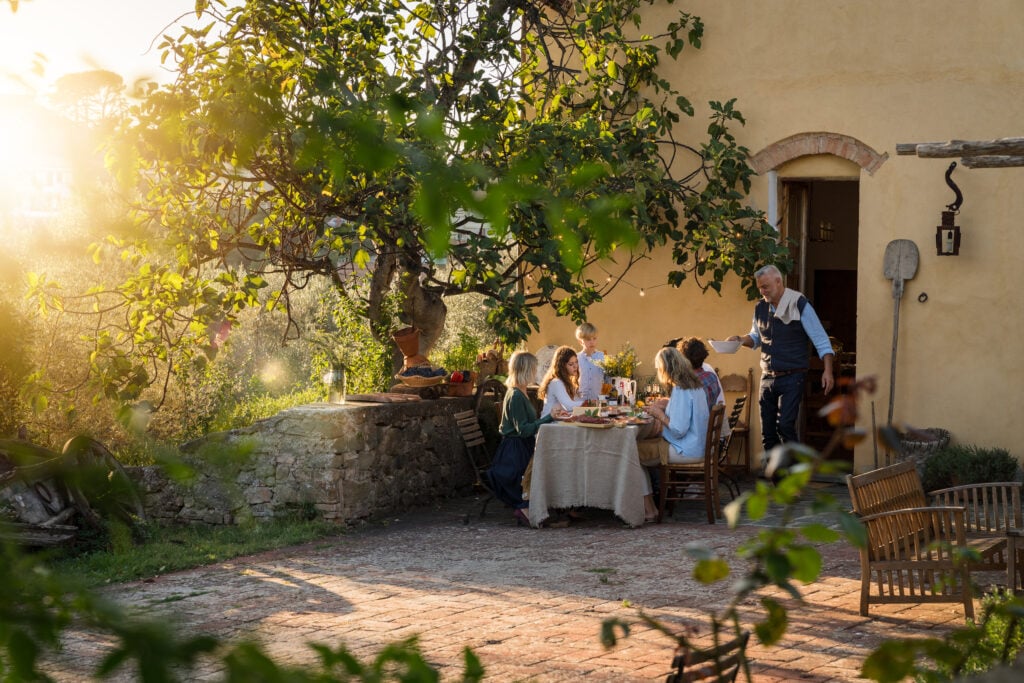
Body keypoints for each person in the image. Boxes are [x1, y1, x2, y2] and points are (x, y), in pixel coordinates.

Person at [727, 264, 834, 460]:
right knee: (767, 433)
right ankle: (778, 481)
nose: (762, 291)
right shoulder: (760, 307)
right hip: (768, 376)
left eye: (765, 286)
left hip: (793, 375)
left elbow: (821, 339)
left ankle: (795, 474)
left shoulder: (799, 304)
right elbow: (756, 338)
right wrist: (740, 340)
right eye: (760, 287)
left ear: (778, 281)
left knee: (785, 425)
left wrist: (828, 371)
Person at [482, 351, 554, 525]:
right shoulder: (515, 396)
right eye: (534, 368)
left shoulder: (521, 393)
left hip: (521, 446)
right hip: (515, 451)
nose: (536, 372)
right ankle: (525, 508)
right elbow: (523, 430)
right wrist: (548, 418)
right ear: (525, 370)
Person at [645, 347, 710, 465]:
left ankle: (651, 483)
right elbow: (686, 410)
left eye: (659, 368)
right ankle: (655, 482)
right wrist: (669, 404)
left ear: (666, 368)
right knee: (648, 443)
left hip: (686, 450)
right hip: (698, 446)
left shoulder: (681, 389)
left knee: (636, 450)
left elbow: (678, 430)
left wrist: (659, 414)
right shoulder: (694, 385)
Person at [538, 345, 585, 418]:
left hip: (558, 421)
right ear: (562, 366)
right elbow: (569, 406)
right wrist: (588, 403)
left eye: (576, 362)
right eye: (571, 364)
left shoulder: (568, 381)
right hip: (548, 424)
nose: (575, 366)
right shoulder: (556, 382)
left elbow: (575, 403)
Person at [575, 322, 605, 402]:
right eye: (588, 339)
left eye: (594, 338)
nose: (592, 342)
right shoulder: (576, 358)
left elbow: (607, 379)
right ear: (580, 341)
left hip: (597, 400)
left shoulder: (602, 357)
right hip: (580, 400)